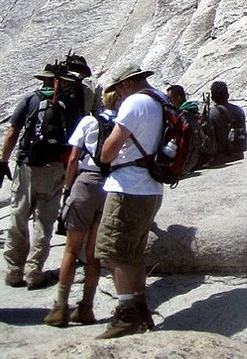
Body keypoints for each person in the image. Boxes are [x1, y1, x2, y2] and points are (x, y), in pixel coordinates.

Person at [94, 64, 165, 338]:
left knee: (115, 251)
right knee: (134, 251)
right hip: (151, 186)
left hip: (128, 186)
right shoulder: (158, 99)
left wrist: (104, 151)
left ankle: (126, 316)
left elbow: (108, 151)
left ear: (125, 85)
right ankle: (139, 305)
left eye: (119, 88)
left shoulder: (134, 103)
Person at [2, 66, 84, 290]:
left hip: (28, 165)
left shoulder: (30, 99)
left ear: (44, 81)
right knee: (44, 222)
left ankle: (13, 271)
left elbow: (12, 132)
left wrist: (3, 160)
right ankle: (34, 271)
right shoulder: (70, 105)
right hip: (56, 167)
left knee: (19, 216)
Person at [43, 89, 118, 327]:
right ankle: (86, 308)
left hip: (86, 183)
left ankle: (60, 308)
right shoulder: (121, 123)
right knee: (93, 254)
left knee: (71, 250)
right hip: (110, 186)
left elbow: (74, 157)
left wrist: (68, 188)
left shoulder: (88, 121)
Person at [208, 81, 247, 163]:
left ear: (212, 98)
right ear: (228, 95)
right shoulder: (239, 110)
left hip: (220, 157)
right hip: (238, 153)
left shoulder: (210, 114)